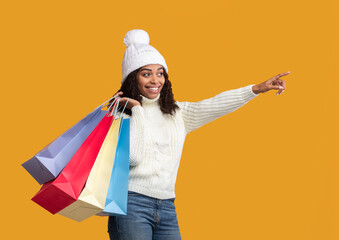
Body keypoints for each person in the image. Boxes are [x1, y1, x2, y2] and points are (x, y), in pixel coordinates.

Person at [108, 29, 289, 240]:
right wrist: (137, 109)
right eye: (146, 73)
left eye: (160, 73)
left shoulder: (177, 113)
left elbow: (215, 104)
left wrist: (256, 89)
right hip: (131, 205)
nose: (155, 80)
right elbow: (132, 158)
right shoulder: (121, 114)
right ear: (133, 78)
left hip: (167, 206)